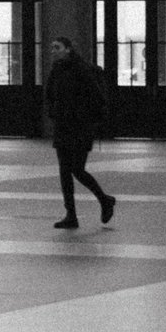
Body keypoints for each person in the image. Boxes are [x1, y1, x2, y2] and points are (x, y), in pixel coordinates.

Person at [42, 36, 116, 230]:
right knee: (65, 171)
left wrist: (82, 116)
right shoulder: (57, 70)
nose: (53, 50)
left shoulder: (82, 69)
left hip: (81, 127)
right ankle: (71, 215)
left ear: (68, 49)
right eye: (52, 47)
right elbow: (49, 94)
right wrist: (55, 113)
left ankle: (104, 199)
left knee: (77, 168)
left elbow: (96, 97)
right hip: (63, 126)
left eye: (57, 47)